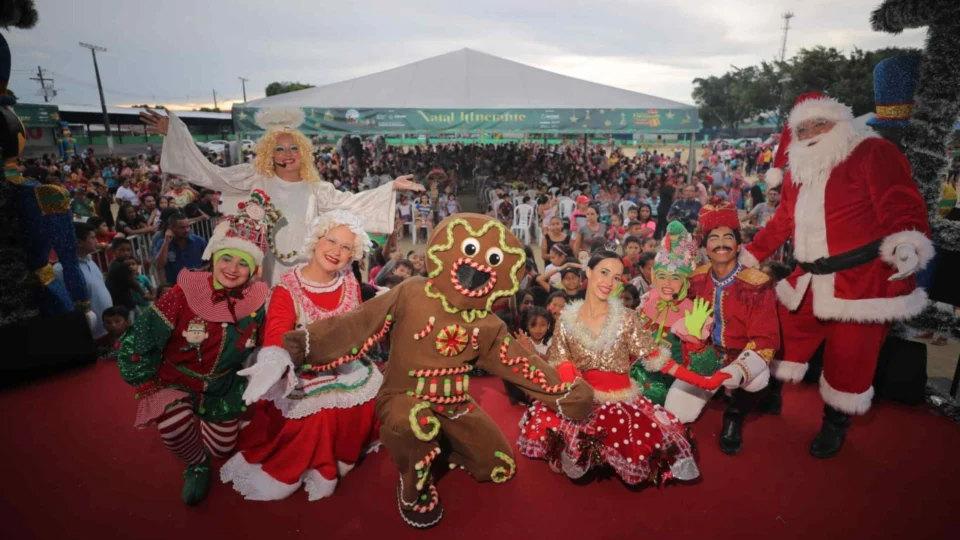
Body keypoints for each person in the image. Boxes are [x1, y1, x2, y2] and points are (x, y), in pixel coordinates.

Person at [279, 213, 593, 528]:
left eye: (493, 259)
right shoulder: (413, 290)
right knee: (416, 423)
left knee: (498, 465)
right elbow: (356, 324)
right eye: (471, 250)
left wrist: (565, 393)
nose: (480, 264)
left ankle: (439, 448)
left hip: (454, 404)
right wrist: (296, 346)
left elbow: (524, 366)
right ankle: (413, 489)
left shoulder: (488, 324)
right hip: (403, 397)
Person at [739, 93, 933, 458]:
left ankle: (835, 421)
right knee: (777, 336)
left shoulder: (873, 153)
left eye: (819, 124)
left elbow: (901, 201)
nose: (811, 132)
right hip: (808, 278)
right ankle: (772, 393)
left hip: (861, 281)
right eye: (802, 128)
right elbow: (783, 220)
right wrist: (750, 254)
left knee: (851, 358)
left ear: (840, 123)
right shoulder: (800, 170)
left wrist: (907, 241)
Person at [140, 107, 422, 286]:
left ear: (303, 152)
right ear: (268, 154)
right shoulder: (255, 177)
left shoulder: (316, 187)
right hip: (264, 268)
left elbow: (350, 203)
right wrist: (175, 134)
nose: (287, 155)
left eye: (293, 148)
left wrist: (391, 187)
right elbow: (210, 173)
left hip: (305, 268)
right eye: (279, 149)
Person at [222, 210, 382, 502]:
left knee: (369, 399)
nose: (337, 252)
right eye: (331, 240)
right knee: (316, 418)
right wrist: (272, 363)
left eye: (346, 247)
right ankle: (320, 465)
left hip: (343, 365)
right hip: (301, 369)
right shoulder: (288, 288)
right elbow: (277, 336)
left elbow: (356, 324)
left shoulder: (347, 280)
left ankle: (342, 456)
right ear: (316, 240)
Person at [116, 204, 269, 505]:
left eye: (243, 263)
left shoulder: (257, 301)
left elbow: (267, 341)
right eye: (227, 258)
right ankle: (195, 464)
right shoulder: (181, 293)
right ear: (213, 258)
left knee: (223, 448)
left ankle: (209, 437)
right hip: (177, 380)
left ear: (253, 270)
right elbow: (142, 336)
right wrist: (145, 382)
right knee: (172, 424)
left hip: (222, 386)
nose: (233, 268)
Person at [517, 250, 700, 486]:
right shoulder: (566, 319)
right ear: (589, 272)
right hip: (581, 395)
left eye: (616, 277)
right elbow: (560, 359)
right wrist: (569, 379)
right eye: (604, 272)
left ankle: (595, 459)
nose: (609, 282)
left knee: (632, 438)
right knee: (561, 430)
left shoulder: (627, 318)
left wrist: (704, 380)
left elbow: (656, 357)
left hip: (621, 398)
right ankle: (572, 454)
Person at [56, 222, 112, 339]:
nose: (96, 241)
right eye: (92, 237)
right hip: (91, 334)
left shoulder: (90, 260)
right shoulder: (62, 270)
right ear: (79, 242)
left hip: (107, 329)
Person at [154, 213, 208, 286]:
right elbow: (159, 265)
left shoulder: (199, 241)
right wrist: (166, 242)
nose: (187, 230)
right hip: (175, 287)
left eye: (188, 226)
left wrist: (200, 270)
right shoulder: (162, 243)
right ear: (171, 228)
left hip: (198, 285)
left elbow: (212, 262)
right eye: (182, 227)